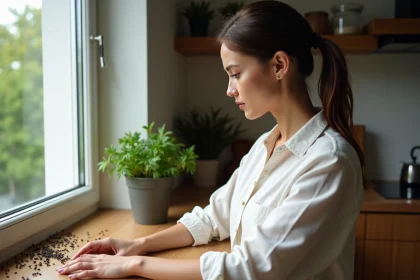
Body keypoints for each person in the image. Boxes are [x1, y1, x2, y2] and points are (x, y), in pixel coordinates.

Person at [57, 1, 366, 279]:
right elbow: (213, 217)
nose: (230, 90)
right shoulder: (263, 147)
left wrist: (133, 265)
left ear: (279, 65)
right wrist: (137, 245)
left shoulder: (329, 162)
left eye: (235, 73)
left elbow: (250, 268)